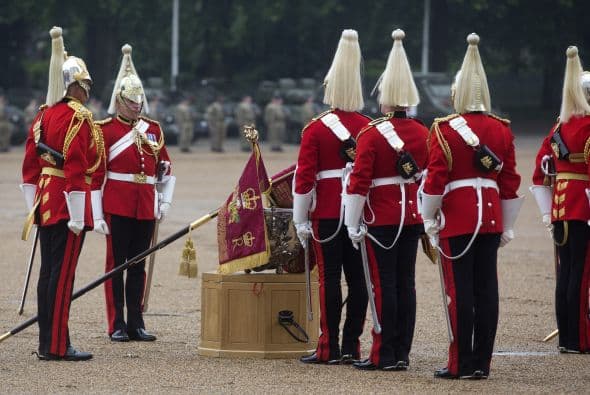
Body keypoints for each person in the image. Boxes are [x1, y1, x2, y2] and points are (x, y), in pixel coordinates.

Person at [420, 33, 522, 379]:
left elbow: (436, 180)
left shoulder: (444, 129)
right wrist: (507, 224)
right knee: (487, 291)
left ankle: (459, 362)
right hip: (491, 217)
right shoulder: (502, 130)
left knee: (459, 291)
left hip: (459, 217)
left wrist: (428, 217)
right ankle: (481, 363)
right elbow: (509, 182)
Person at [344, 29, 428, 371]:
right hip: (412, 218)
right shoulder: (424, 132)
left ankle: (383, 353)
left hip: (381, 218)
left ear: (387, 100)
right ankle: (402, 352)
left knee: (384, 285)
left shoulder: (371, 134)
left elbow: (360, 182)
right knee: (406, 285)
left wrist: (352, 221)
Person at [20, 26, 104, 361]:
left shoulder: (42, 115)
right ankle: (56, 345)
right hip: (69, 203)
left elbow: (29, 168)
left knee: (47, 274)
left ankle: (48, 342)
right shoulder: (78, 117)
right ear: (77, 84)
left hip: (45, 200)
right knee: (63, 275)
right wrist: (79, 211)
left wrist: (34, 207)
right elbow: (76, 167)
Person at [294, 29, 369, 365]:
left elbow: (303, 178)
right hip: (361, 212)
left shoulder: (316, 128)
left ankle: (330, 347)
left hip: (326, 211)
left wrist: (299, 219)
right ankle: (353, 343)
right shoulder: (370, 126)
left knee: (329, 278)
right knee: (358, 280)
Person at [96, 44, 175, 342]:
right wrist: (96, 212)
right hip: (117, 203)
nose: (137, 106)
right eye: (131, 102)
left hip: (145, 204)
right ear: (119, 101)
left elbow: (166, 164)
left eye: (139, 101)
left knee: (138, 266)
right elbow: (97, 173)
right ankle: (116, 323)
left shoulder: (152, 129)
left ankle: (136, 322)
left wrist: (164, 197)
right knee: (116, 266)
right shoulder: (105, 130)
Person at [531, 46, 590, 354]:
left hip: (559, 208)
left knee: (565, 272)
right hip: (584, 208)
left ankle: (567, 337)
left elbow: (538, 176)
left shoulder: (557, 127)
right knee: (580, 275)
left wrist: (545, 213)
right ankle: (580, 338)